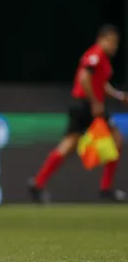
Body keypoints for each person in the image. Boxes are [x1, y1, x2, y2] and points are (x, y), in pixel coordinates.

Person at [29, 24, 128, 203]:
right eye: (111, 41)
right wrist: (95, 102)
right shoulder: (95, 55)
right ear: (101, 39)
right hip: (87, 106)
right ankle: (106, 188)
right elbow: (84, 77)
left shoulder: (103, 59)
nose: (114, 46)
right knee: (116, 138)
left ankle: (38, 183)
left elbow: (101, 84)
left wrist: (118, 96)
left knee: (69, 145)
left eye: (116, 43)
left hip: (86, 105)